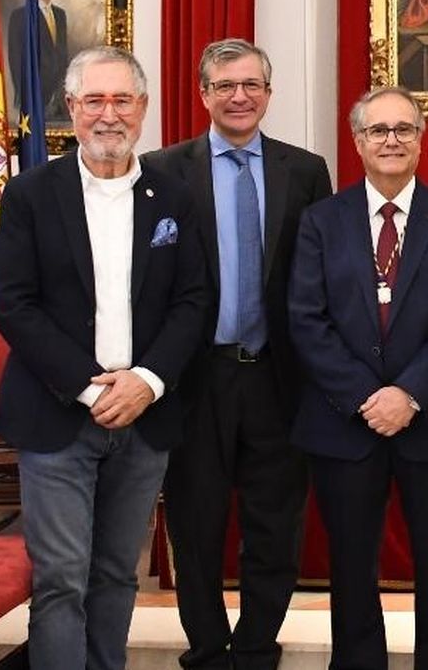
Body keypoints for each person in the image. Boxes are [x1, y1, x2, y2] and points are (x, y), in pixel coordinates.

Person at [0, 45, 208, 670]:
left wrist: (146, 381)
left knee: (116, 574)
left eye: (121, 100)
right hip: (57, 417)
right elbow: (14, 305)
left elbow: (193, 300)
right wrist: (91, 389)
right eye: (94, 101)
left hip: (146, 417)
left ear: (143, 109)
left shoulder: (173, 196)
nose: (108, 114)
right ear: (71, 108)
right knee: (60, 578)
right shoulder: (30, 194)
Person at [142, 39, 331, 670]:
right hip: (195, 377)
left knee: (276, 523)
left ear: (269, 94)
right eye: (225, 86)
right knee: (195, 525)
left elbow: (317, 276)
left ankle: (255, 646)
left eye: (252, 84)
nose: (240, 96)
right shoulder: (162, 171)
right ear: (204, 95)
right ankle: (206, 649)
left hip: (279, 377)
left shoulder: (305, 171)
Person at [287, 86, 428, 670]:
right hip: (344, 423)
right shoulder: (322, 221)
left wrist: (411, 394)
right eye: (379, 131)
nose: (392, 140)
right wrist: (365, 396)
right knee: (351, 564)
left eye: (404, 129)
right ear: (357, 141)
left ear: (422, 139)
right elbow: (306, 317)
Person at [8, 0, 72, 125]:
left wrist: (61, 91)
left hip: (57, 97)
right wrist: (25, 96)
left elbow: (62, 55)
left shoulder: (60, 15)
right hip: (33, 95)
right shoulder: (20, 16)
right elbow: (15, 60)